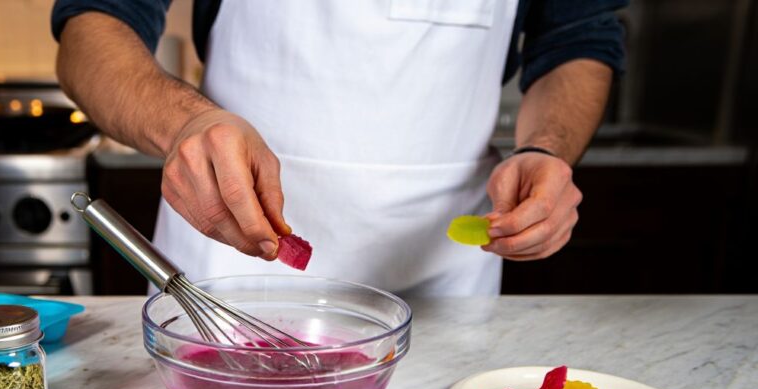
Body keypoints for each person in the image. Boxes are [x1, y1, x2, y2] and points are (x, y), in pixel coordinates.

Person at [52, 0, 626, 296]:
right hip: (229, 268)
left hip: (444, 278)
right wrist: (184, 125)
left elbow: (577, 39)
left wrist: (547, 151)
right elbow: (92, 31)